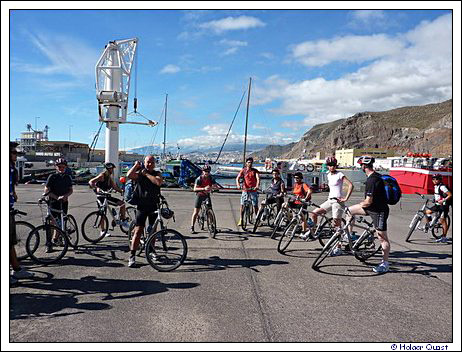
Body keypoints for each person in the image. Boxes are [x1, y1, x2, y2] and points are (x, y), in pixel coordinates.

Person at [347, 156, 391, 273]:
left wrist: (361, 203)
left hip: (379, 211)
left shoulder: (372, 180)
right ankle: (350, 234)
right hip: (371, 208)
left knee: (382, 238)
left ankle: (385, 263)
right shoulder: (373, 177)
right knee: (349, 211)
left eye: (361, 165)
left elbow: (368, 201)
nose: (360, 167)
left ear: (364, 166)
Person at [305, 156, 354, 244]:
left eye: (334, 165)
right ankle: (313, 233)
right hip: (329, 200)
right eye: (330, 165)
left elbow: (350, 185)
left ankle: (338, 246)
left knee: (336, 226)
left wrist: (346, 198)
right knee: (314, 214)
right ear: (327, 166)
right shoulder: (328, 175)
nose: (332, 167)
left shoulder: (340, 174)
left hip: (337, 202)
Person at [126, 155, 163, 267]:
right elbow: (129, 175)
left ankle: (151, 251)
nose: (149, 164)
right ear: (144, 162)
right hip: (141, 206)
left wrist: (146, 174)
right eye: (147, 162)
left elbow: (158, 182)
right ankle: (132, 255)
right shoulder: (139, 174)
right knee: (138, 231)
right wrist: (136, 166)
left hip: (154, 206)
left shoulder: (157, 173)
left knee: (153, 231)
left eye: (151, 162)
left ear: (155, 163)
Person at [10, 142, 35, 285]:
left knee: (10, 242)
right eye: (13, 152)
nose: (15, 155)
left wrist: (13, 194)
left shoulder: (11, 169)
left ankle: (17, 269)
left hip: (9, 208)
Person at [89, 162, 129, 236]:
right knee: (103, 213)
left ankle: (121, 219)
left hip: (106, 196)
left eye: (112, 169)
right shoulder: (102, 175)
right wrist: (96, 188)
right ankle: (103, 230)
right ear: (108, 169)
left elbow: (114, 186)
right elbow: (91, 182)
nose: (112, 170)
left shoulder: (109, 177)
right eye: (111, 169)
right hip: (101, 197)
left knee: (121, 204)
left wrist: (121, 191)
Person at [190, 165, 220, 234]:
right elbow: (195, 189)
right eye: (205, 171)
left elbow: (216, 186)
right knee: (196, 212)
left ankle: (213, 226)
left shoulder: (211, 178)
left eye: (208, 171)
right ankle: (192, 227)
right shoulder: (199, 179)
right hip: (200, 195)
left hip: (206, 195)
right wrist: (203, 188)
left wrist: (214, 189)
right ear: (202, 171)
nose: (207, 172)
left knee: (210, 211)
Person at [426, 174, 452, 243]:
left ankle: (444, 237)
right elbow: (437, 195)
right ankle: (431, 223)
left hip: (444, 205)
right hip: (438, 205)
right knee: (426, 212)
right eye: (433, 179)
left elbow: (450, 195)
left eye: (436, 179)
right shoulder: (436, 186)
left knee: (442, 220)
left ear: (440, 180)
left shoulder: (442, 187)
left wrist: (443, 200)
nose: (434, 180)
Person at [286, 172, 312, 237]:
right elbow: (294, 193)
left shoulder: (303, 184)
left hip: (302, 203)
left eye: (297, 178)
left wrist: (305, 199)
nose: (295, 179)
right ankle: (290, 219)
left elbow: (309, 191)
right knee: (284, 205)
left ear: (300, 178)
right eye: (294, 178)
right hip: (295, 202)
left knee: (302, 217)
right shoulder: (295, 185)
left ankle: (303, 231)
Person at [236, 157, 260, 225]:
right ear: (246, 163)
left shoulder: (255, 171)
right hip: (245, 190)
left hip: (253, 190)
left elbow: (258, 179)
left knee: (255, 205)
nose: (250, 164)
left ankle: (257, 219)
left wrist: (257, 186)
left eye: (251, 162)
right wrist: (238, 185)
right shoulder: (243, 170)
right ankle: (241, 219)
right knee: (242, 205)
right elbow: (237, 178)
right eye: (249, 162)